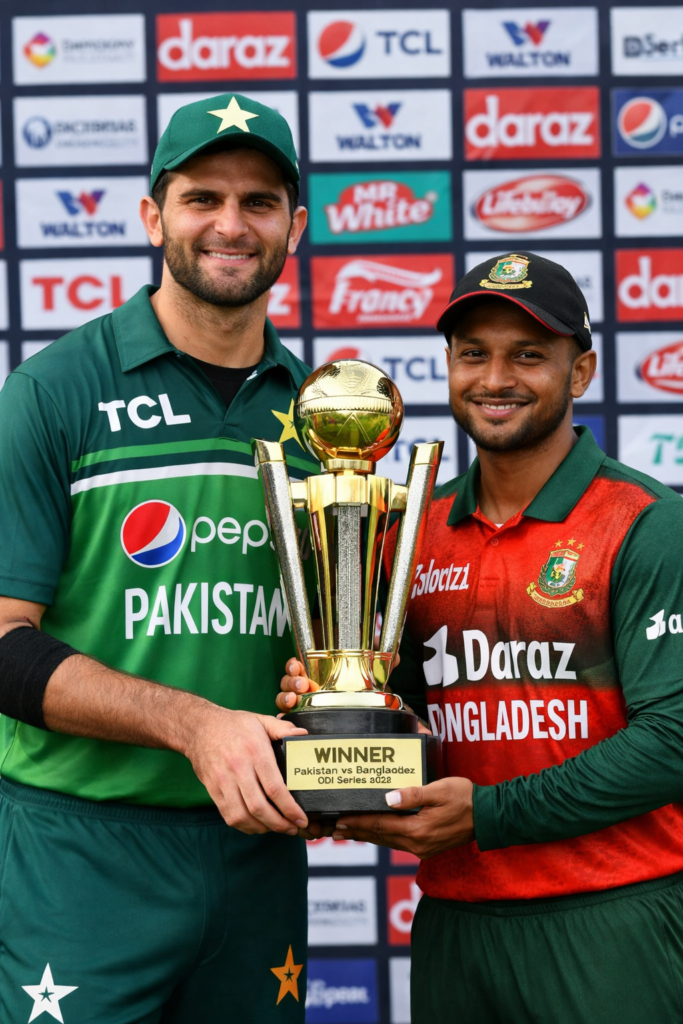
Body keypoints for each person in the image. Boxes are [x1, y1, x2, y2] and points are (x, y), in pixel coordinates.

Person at [279, 252, 683, 1024]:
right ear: (447, 367)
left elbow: (672, 739)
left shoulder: (642, 522)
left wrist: (490, 814)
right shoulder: (409, 533)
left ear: (581, 370)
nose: (495, 377)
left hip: (611, 918)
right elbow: (413, 714)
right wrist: (336, 723)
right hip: (455, 922)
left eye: (528, 354)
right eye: (473, 354)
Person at [0, 93, 316, 1022]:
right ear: (153, 217)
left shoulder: (325, 416)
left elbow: (341, 646)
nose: (230, 224)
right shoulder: (55, 391)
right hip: (80, 851)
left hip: (258, 846)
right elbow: (4, 647)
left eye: (259, 202)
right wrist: (193, 723)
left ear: (294, 226)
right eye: (201, 198)